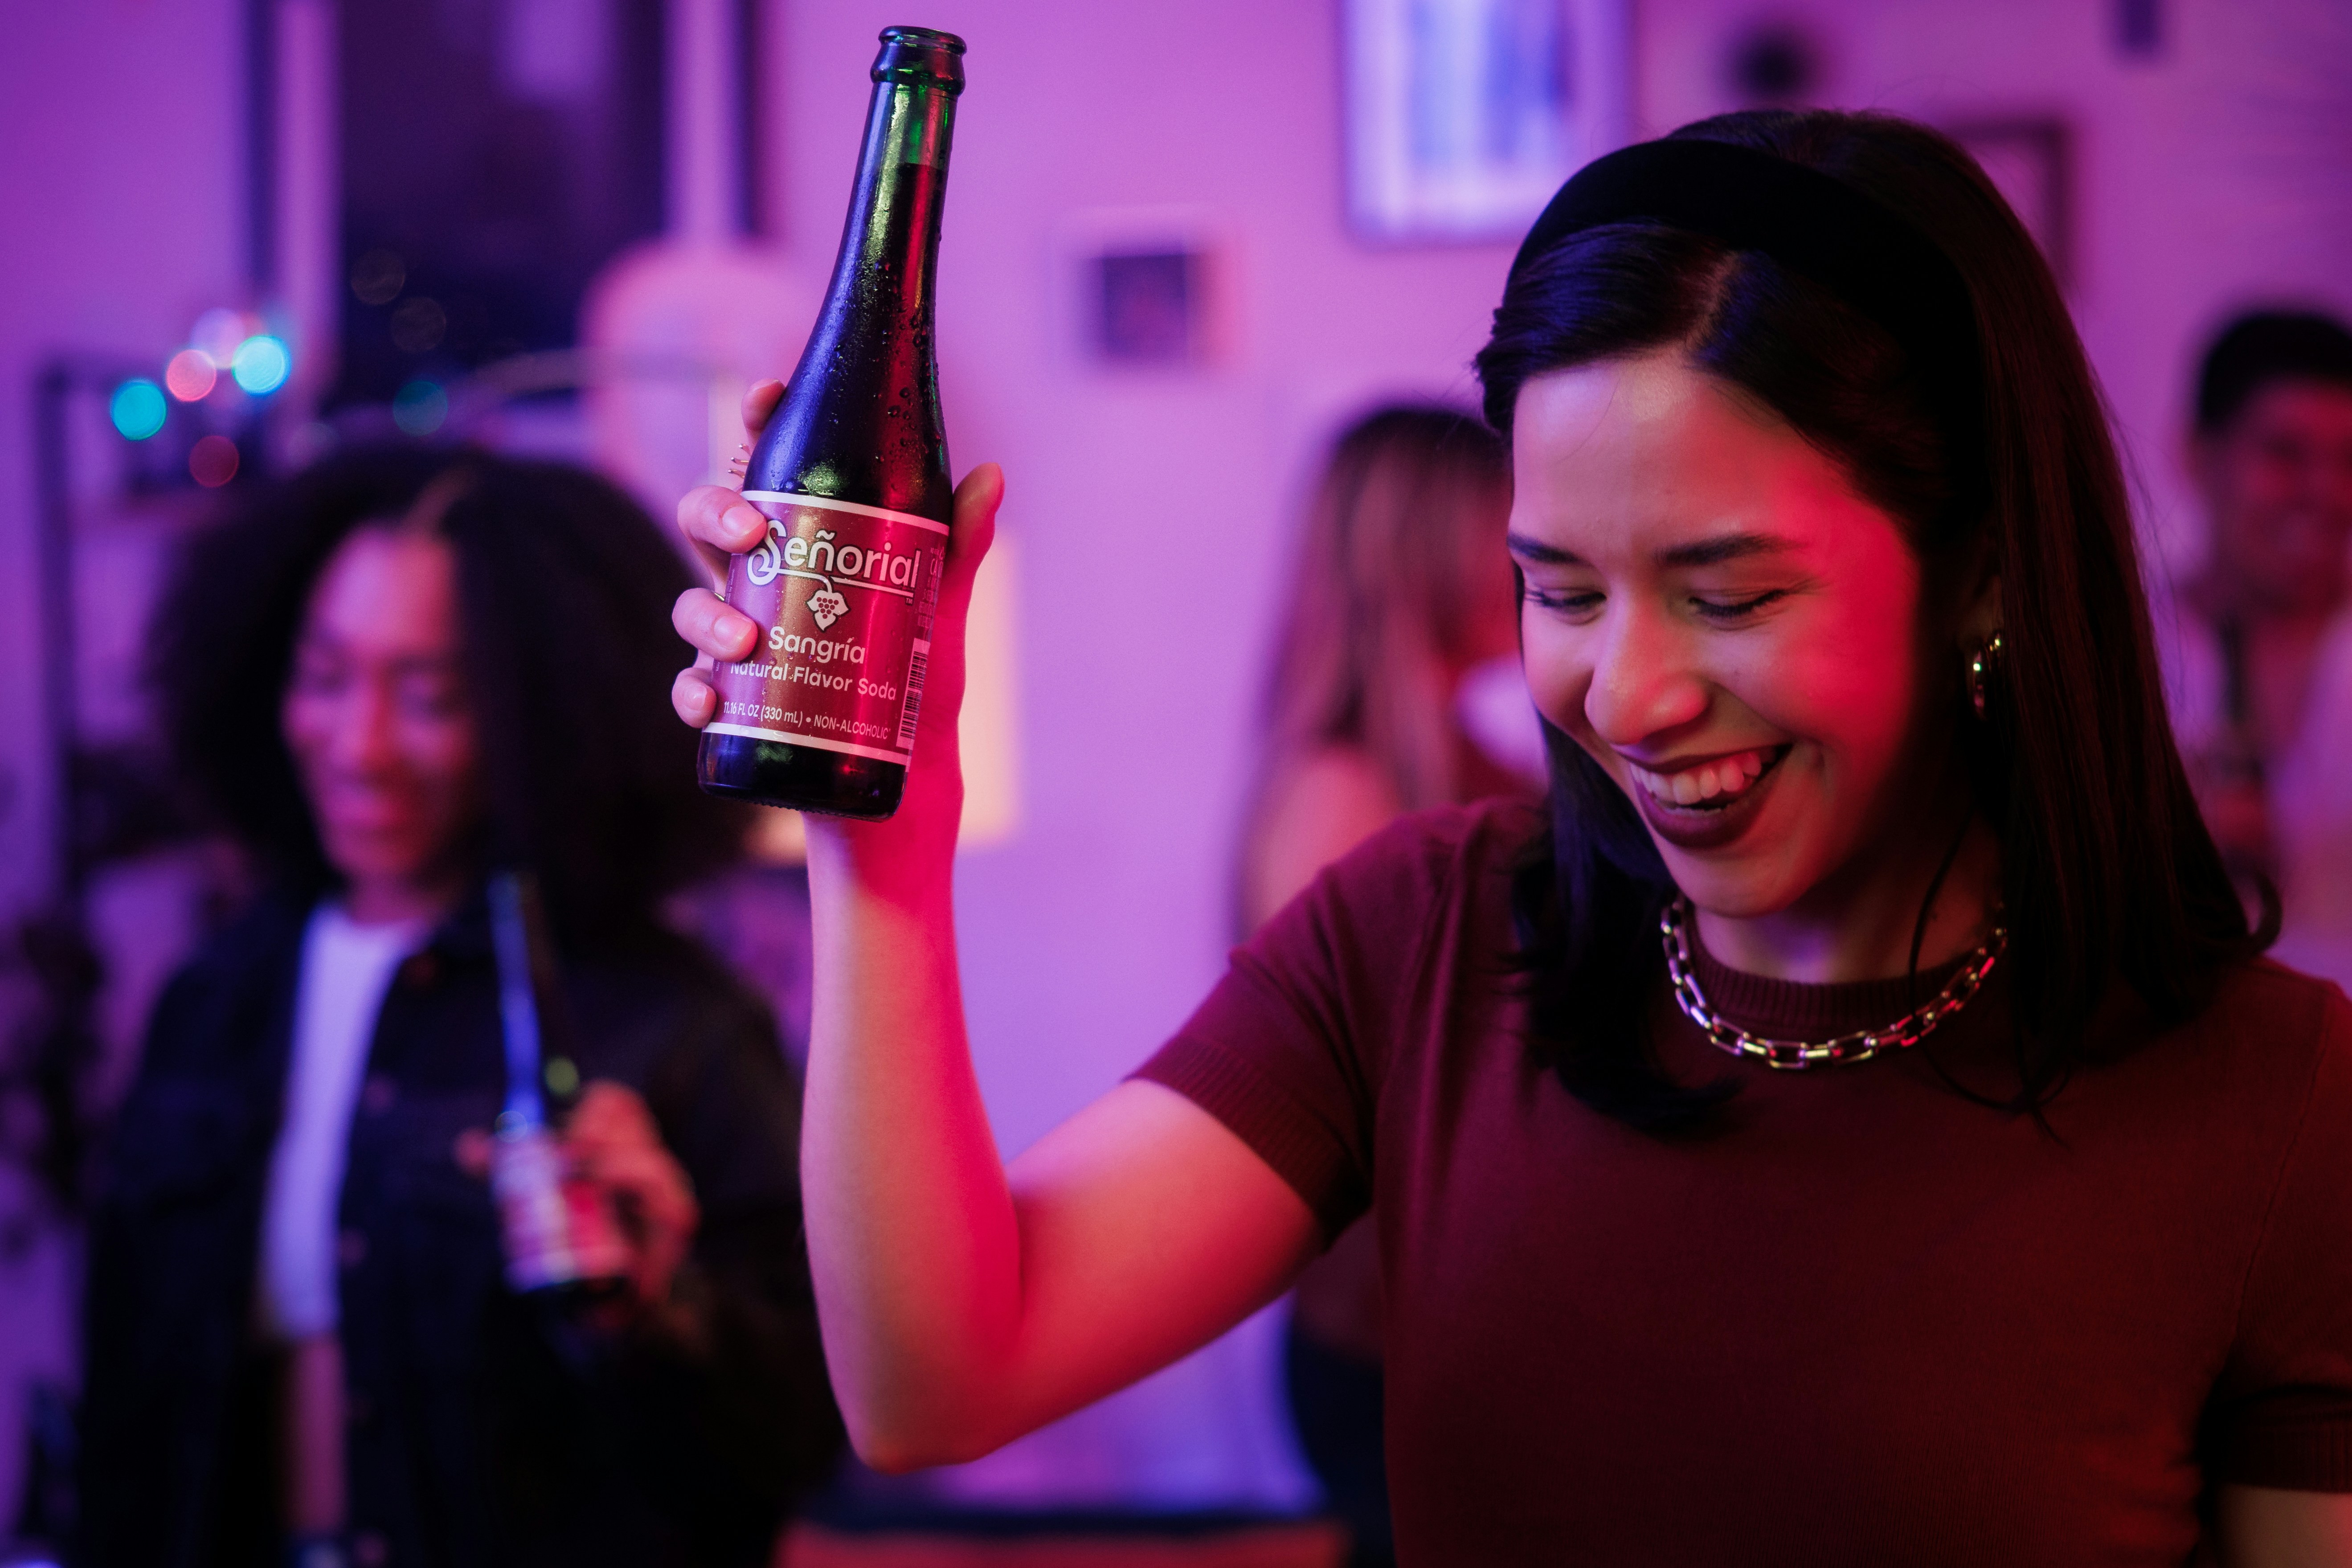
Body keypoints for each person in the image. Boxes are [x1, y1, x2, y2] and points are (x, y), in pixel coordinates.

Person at [670, 109, 2352, 1563]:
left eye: (1729, 595)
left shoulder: (2272, 1106)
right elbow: (935, 1381)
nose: (1629, 696)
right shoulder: (1431, 940)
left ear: (1980, 572)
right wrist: (883, 828)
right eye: (1561, 590)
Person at [80, 449, 843, 1568]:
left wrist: (655, 1305)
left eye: (430, 696)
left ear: (541, 717)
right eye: (324, 676)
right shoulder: (216, 997)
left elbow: (804, 1432)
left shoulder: (673, 1024)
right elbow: (129, 1403)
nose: (360, 744)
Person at [1237, 405, 1532, 1568]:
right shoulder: (1340, 794)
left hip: (1444, 1330)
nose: (1534, 558)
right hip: (1384, 1339)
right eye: (1509, 528)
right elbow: (1379, 1111)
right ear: (1433, 551)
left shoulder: (1473, 763)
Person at [2164, 310, 2352, 991]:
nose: (2326, 492)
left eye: (2349, 460)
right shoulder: (2115, 653)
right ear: (2198, 456)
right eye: (2285, 453)